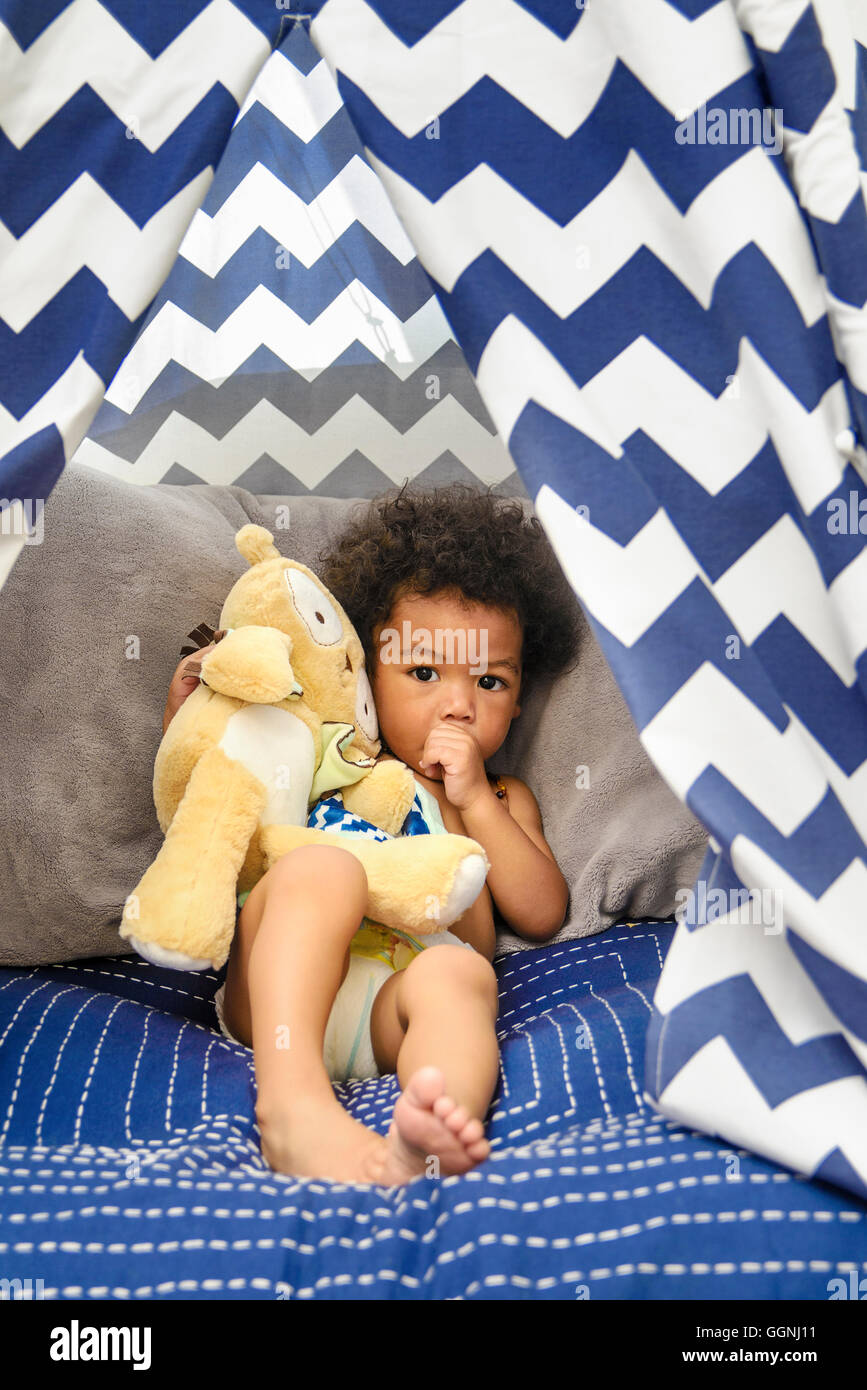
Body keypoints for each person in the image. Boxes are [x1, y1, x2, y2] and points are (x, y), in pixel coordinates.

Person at [162, 484, 581, 1184]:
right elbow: (217, 808)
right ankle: (292, 1109)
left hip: (392, 1010)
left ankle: (432, 1124)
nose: (457, 704)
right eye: (422, 672)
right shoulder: (333, 756)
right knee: (324, 872)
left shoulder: (502, 799)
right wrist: (193, 721)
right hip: (281, 995)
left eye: (490, 681)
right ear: (365, 669)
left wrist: (473, 799)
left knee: (461, 973)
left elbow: (541, 913)